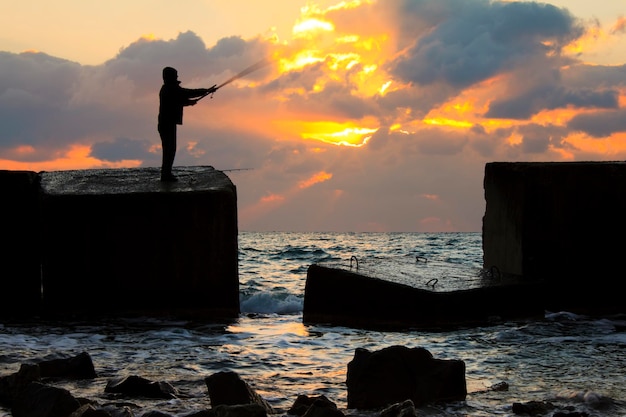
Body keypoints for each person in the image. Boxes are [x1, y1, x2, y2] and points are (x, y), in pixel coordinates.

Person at [158, 66, 216, 182]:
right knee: (170, 149)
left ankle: (166, 173)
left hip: (166, 123)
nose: (177, 77)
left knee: (169, 149)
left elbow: (178, 100)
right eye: (175, 75)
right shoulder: (170, 89)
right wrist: (206, 90)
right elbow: (186, 93)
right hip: (167, 124)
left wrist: (189, 102)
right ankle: (166, 175)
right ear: (170, 77)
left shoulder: (168, 89)